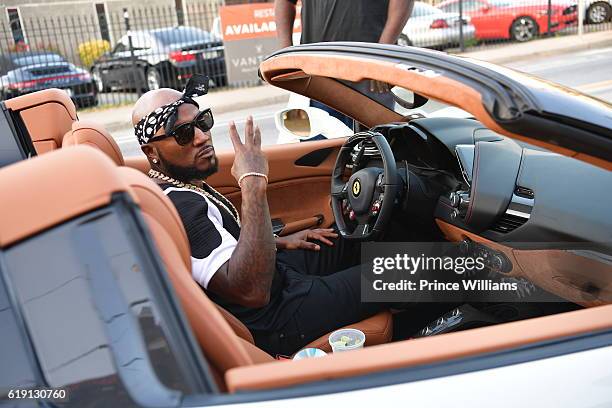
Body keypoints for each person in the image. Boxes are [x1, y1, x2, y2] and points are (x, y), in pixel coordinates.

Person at [132, 75, 397, 356]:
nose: (202, 136)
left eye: (202, 122)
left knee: (360, 239)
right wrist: (253, 182)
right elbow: (251, 291)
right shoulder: (181, 206)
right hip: (280, 317)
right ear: (152, 152)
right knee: (416, 272)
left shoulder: (178, 186)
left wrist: (277, 241)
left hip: (279, 278)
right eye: (183, 133)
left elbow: (226, 244)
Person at [275, 0, 414, 128]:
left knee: (373, 148)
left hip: (368, 73)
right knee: (324, 149)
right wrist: (286, 53)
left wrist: (382, 53)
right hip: (316, 77)